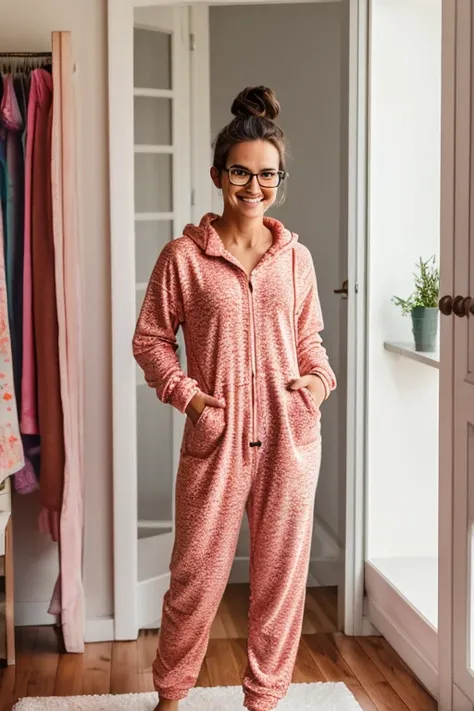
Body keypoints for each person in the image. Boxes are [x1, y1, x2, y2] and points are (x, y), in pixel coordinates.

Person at [133, 85, 337, 711]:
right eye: (241, 173)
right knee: (194, 578)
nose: (254, 186)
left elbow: (312, 342)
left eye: (267, 175)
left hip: (289, 438)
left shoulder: (295, 260)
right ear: (219, 174)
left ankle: (265, 700)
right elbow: (150, 341)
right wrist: (190, 398)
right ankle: (171, 697)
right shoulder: (184, 259)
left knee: (279, 580)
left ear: (280, 179)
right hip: (216, 439)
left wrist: (319, 384)